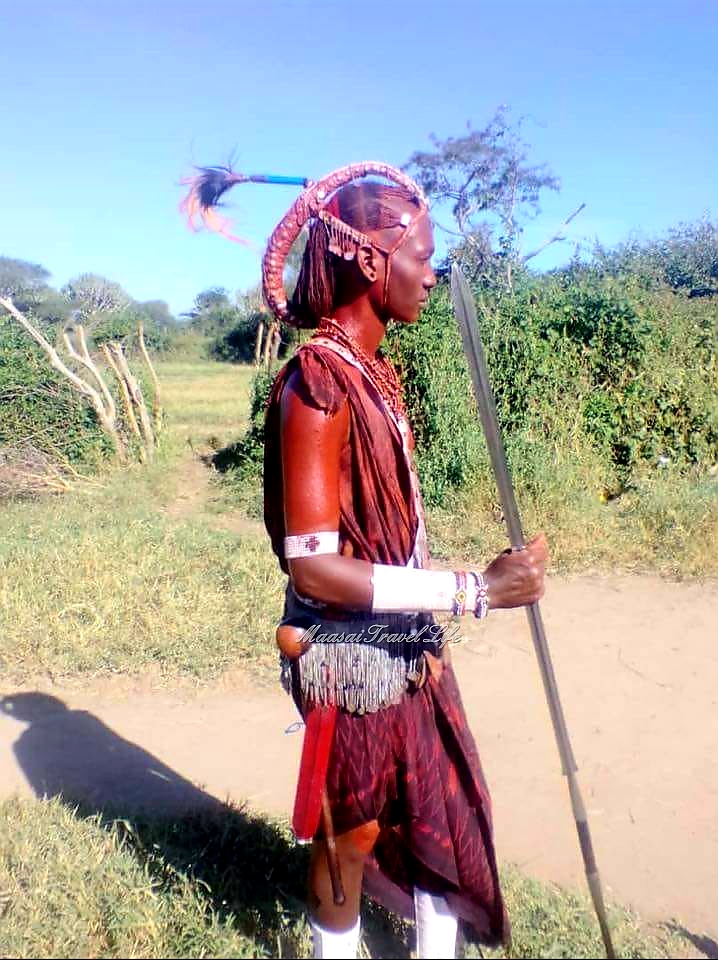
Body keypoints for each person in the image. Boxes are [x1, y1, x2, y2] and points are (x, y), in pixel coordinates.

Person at [183, 161, 548, 960]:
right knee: (352, 836)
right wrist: (475, 589)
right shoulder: (316, 382)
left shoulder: (375, 372)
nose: (432, 272)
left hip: (407, 644)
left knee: (435, 811)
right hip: (351, 656)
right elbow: (312, 570)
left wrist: (454, 597)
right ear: (372, 262)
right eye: (421, 253)